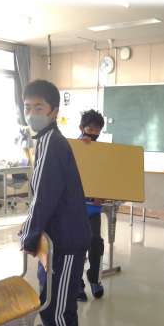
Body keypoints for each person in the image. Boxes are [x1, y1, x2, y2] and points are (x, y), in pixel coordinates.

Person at [19, 80, 100, 326]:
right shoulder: (45, 140)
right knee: (55, 306)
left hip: (66, 243)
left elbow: (44, 198)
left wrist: (29, 236)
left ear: (53, 111)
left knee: (55, 311)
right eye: (27, 107)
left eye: (38, 107)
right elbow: (41, 197)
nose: (32, 113)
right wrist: (31, 229)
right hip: (55, 241)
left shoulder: (52, 143)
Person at [76, 109, 106, 301]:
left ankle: (94, 279)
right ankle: (76, 283)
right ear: (82, 128)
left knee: (96, 243)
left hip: (94, 209)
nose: (94, 133)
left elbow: (105, 175)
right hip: (75, 209)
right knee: (77, 245)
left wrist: (102, 194)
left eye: (97, 130)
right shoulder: (72, 148)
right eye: (90, 129)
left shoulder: (101, 151)